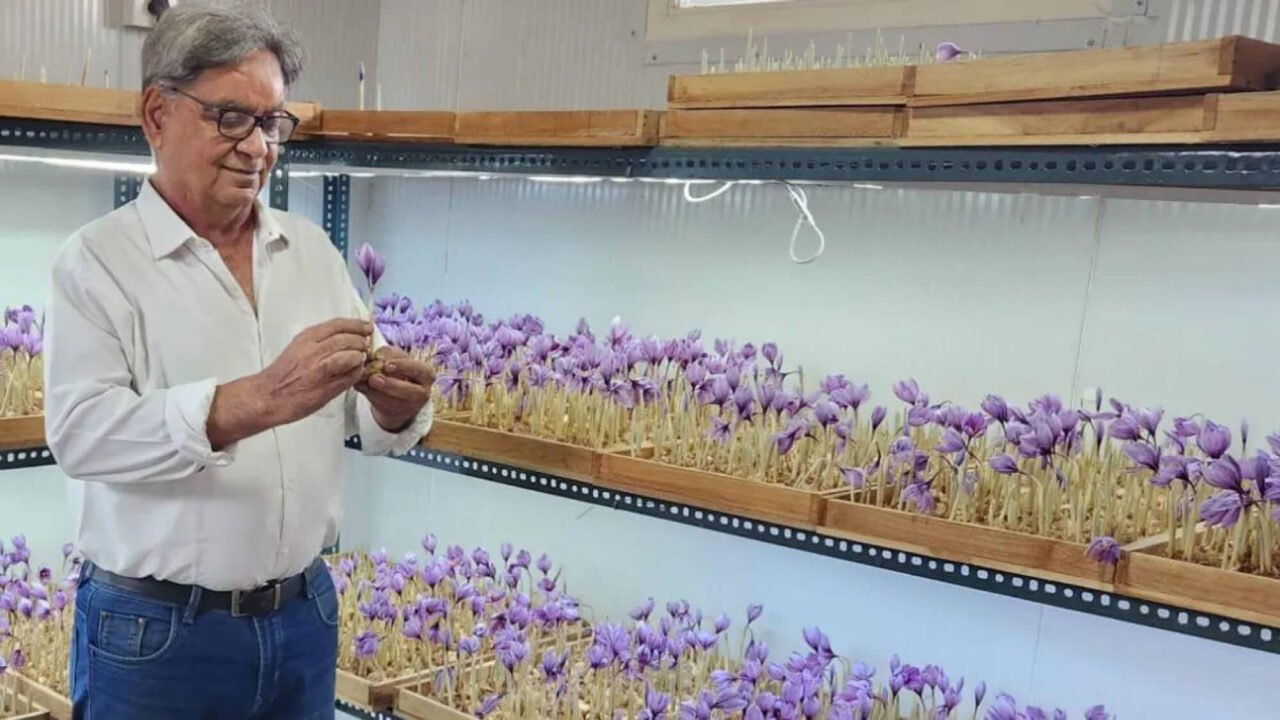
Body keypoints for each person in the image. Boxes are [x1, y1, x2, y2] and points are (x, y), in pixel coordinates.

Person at [42, 4, 435, 718]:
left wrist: (394, 406)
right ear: (157, 114)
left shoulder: (309, 251)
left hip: (302, 614)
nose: (257, 147)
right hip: (158, 636)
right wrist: (260, 398)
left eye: (272, 123)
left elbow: (359, 408)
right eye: (232, 118)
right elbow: (81, 433)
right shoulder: (97, 263)